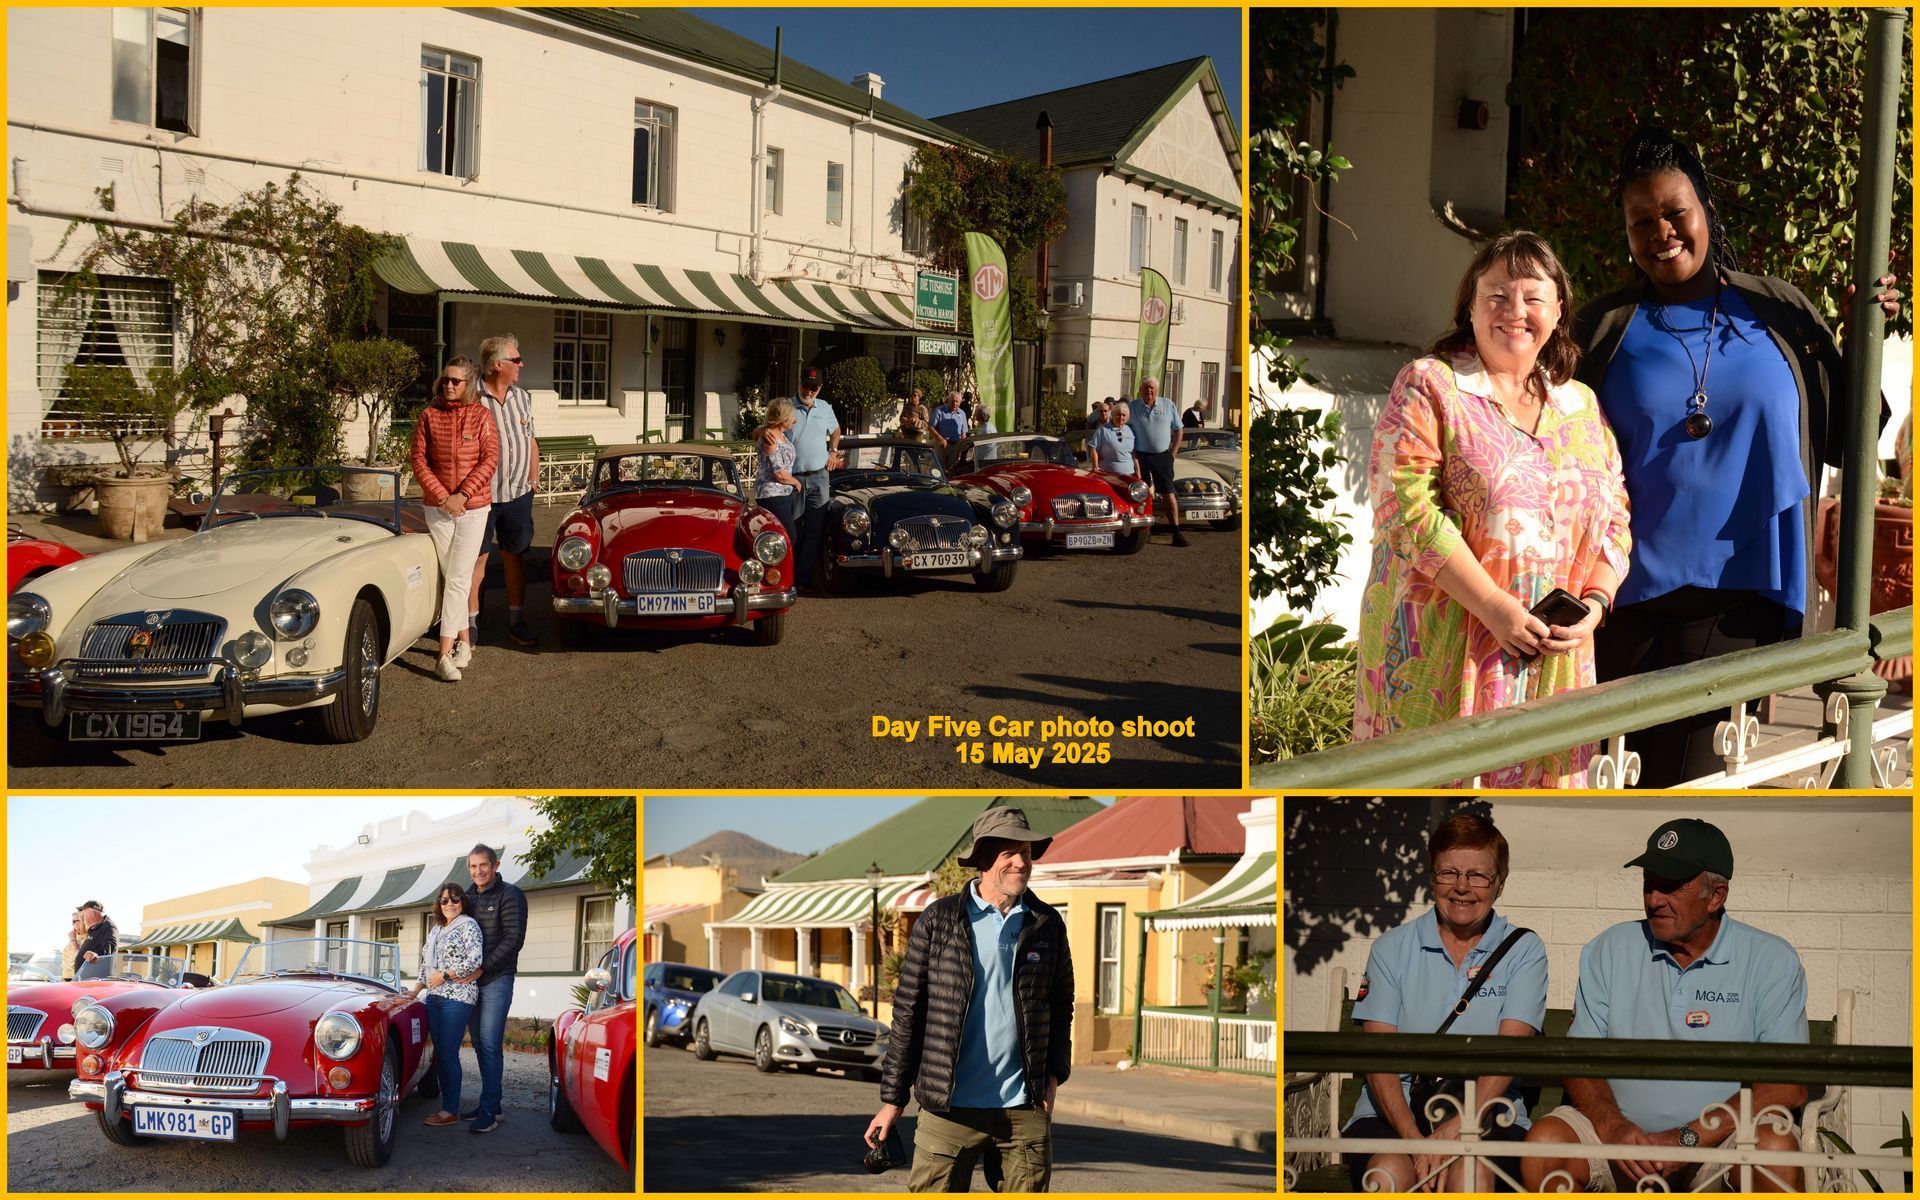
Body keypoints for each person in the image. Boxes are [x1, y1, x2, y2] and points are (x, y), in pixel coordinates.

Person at [1572, 127, 1900, 787]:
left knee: (1683, 784)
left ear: (1706, 210)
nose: (1661, 232)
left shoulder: (1780, 312)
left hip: (1739, 599)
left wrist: (1862, 336)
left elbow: (1849, 435)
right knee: (1605, 784)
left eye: (1675, 212)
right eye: (1641, 222)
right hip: (1618, 599)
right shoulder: (1603, 329)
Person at [1353, 231, 1632, 787]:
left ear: (1558, 311)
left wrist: (1595, 606)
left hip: (1557, 664)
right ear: (1471, 307)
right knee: (1443, 807)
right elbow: (1405, 509)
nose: (1514, 311)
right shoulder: (1431, 385)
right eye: (1497, 296)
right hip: (1443, 656)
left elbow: (1616, 515)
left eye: (1533, 297)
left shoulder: (1580, 404)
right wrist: (1494, 606)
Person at [1522, 818, 1807, 1192]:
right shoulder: (1610, 949)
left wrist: (1686, 1138)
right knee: (1545, 1146)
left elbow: (1786, 1085)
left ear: (1716, 896)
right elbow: (1578, 1060)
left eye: (1670, 886)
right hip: (1620, 1143)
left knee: (1774, 1149)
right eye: (1649, 883)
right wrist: (1614, 1128)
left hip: (1721, 1146)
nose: (1654, 899)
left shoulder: (1770, 960)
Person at [866, 807, 1072, 1193]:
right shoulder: (939, 920)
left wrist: (1053, 1078)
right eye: (1009, 853)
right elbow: (908, 1012)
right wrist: (892, 1100)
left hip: (1023, 1108)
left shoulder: (1046, 924)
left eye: (1026, 852)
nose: (1021, 862)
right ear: (983, 859)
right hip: (949, 1109)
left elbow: (1062, 1006)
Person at [1341, 813, 1547, 1192]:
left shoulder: (1524, 951)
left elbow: (1512, 1051)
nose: (1462, 887)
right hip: (1392, 1117)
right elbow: (1378, 1059)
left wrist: (1458, 1129)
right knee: (1388, 1173)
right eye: (1448, 873)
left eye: (1478, 875)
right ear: (1431, 878)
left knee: (1469, 1173)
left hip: (1491, 1116)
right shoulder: (1391, 949)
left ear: (1499, 884)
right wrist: (1415, 1141)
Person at [411, 356, 497, 682]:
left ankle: (443, 655)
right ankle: (464, 642)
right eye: (445, 379)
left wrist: (462, 495)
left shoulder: (482, 416)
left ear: (468, 384)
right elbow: (419, 461)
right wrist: (443, 497)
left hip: (474, 509)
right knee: (454, 577)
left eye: (456, 381)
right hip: (438, 508)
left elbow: (489, 460)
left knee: (459, 579)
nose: (448, 385)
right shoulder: (428, 416)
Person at [471, 335, 540, 648]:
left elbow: (531, 440)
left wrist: (533, 479)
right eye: (516, 359)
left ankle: (516, 621)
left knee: (516, 556)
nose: (521, 364)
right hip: (481, 496)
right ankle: (471, 627)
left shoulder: (522, 397)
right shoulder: (472, 398)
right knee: (477, 560)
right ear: (498, 365)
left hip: (518, 494)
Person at [462, 843, 527, 1134]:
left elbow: (514, 938)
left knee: (489, 1043)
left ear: (495, 865)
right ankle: (492, 1104)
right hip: (471, 981)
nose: (478, 871)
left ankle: (488, 1112)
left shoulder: (511, 894)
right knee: (478, 1042)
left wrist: (483, 967)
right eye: (473, 866)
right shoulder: (466, 898)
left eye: (483, 865)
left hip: (497, 978)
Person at [411, 883, 484, 1128]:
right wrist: (416, 989)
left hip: (458, 996)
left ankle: (450, 1110)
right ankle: (447, 1106)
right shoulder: (436, 930)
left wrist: (444, 975)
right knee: (439, 1053)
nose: (449, 904)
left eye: (454, 899)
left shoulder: (468, 925)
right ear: (439, 904)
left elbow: (475, 959)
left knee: (448, 1053)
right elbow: (426, 965)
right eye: (444, 900)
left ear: (462, 901)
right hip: (434, 997)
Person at [788, 368, 841, 589]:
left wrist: (833, 451)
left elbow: (836, 430)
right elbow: (770, 430)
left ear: (819, 388)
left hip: (820, 477)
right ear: (799, 383)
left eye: (814, 387)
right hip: (793, 478)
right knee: (794, 530)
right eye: (806, 386)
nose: (809, 391)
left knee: (815, 530)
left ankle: (804, 578)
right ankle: (788, 578)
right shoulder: (786, 406)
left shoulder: (825, 407)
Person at [1126, 378, 1188, 546]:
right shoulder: (1133, 407)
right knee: (1142, 494)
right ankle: (1145, 530)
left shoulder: (1168, 405)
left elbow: (1179, 430)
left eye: (1152, 388)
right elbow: (1124, 428)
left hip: (1162, 456)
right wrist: (1132, 454)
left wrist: (1172, 454)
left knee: (1168, 493)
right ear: (1140, 389)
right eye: (1146, 388)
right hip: (1141, 456)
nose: (1149, 391)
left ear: (1157, 389)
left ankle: (1176, 532)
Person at [754, 397, 803, 543]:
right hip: (772, 495)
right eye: (792, 416)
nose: (795, 420)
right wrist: (796, 482)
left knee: (781, 536)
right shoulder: (770, 438)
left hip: (783, 494)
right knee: (788, 537)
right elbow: (778, 473)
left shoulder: (781, 435)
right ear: (783, 418)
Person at [1088, 401, 1136, 476]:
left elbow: (1133, 452)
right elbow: (1094, 448)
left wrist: (1138, 470)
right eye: (1118, 414)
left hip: (1129, 473)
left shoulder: (1128, 430)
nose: (1121, 417)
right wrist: (1095, 467)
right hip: (1108, 473)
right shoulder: (1103, 429)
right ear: (1113, 415)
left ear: (1127, 417)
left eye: (1124, 415)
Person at [75, 900, 117, 968]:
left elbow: (109, 948)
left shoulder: (109, 927)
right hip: (86, 974)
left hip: (96, 974)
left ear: (92, 913)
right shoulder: (94, 929)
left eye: (83, 914)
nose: (82, 918)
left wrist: (96, 954)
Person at [64, 911, 85, 980]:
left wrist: (73, 941)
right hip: (67, 979)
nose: (72, 924)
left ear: (82, 921)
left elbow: (80, 959)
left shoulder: (89, 938)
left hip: (78, 979)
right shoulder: (76, 936)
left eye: (74, 921)